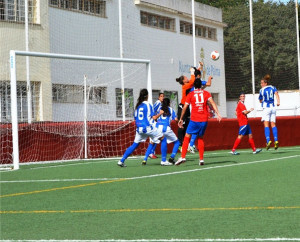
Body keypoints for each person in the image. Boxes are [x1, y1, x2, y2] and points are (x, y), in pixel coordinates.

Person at [175, 79, 222, 166]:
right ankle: (201, 160)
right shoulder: (206, 93)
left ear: (194, 86)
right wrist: (218, 113)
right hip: (204, 120)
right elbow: (212, 103)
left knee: (186, 137)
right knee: (200, 138)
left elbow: (185, 107)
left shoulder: (190, 94)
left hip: (194, 119)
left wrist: (181, 118)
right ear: (201, 85)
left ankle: (183, 157)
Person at [117, 89, 165, 167]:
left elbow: (136, 118)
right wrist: (160, 113)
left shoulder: (138, 106)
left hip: (139, 128)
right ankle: (164, 161)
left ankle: (121, 160)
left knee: (134, 145)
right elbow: (154, 118)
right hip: (147, 128)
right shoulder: (148, 105)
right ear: (147, 95)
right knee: (163, 138)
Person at [176, 62, 212, 152]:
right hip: (183, 107)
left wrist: (199, 67)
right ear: (183, 81)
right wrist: (192, 71)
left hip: (187, 107)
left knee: (188, 125)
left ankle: (188, 144)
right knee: (181, 126)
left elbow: (196, 77)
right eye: (185, 78)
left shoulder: (191, 84)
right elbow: (193, 79)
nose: (187, 77)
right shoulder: (185, 86)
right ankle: (180, 144)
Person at [259, 74, 280, 150]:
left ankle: (268, 141)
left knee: (266, 124)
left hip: (266, 108)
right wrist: (278, 102)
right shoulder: (273, 87)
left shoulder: (262, 90)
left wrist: (262, 100)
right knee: (273, 124)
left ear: (265, 83)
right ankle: (276, 140)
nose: (261, 85)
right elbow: (277, 94)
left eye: (262, 83)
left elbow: (260, 100)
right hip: (273, 108)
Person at [156, 98, 180, 165]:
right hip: (166, 128)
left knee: (162, 141)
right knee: (177, 142)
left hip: (157, 128)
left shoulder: (159, 108)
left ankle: (163, 160)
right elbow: (175, 119)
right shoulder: (171, 110)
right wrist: (179, 121)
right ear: (169, 103)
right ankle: (172, 157)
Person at [148, 92, 164, 159]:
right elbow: (153, 109)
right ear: (158, 97)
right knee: (157, 137)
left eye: (163, 96)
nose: (162, 97)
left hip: (155, 121)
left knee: (157, 137)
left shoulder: (160, 103)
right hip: (153, 122)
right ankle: (151, 153)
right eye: (161, 96)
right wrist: (154, 117)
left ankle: (151, 152)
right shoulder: (158, 102)